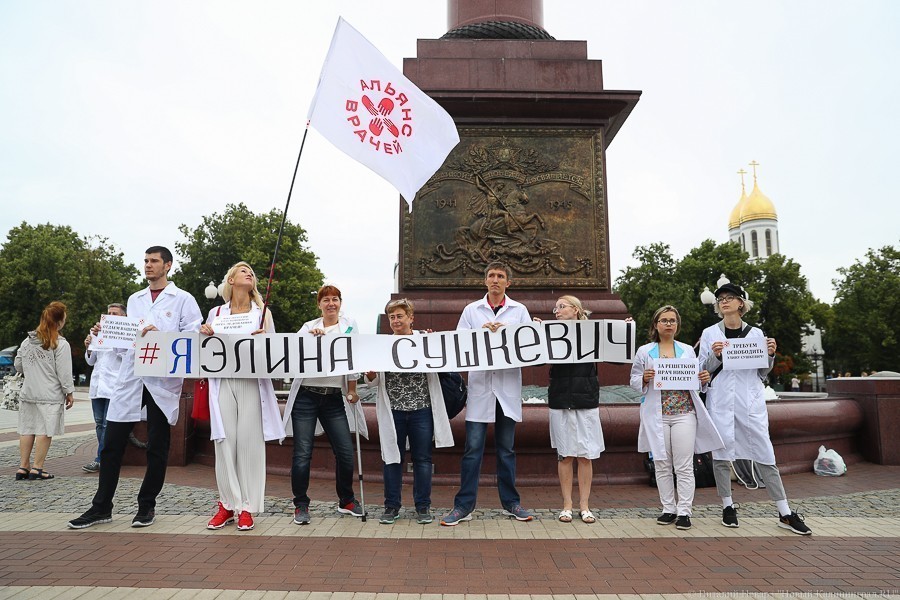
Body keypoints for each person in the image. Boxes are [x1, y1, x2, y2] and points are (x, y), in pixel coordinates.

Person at [68, 246, 202, 529]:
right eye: (145, 261)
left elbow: (194, 337)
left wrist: (161, 335)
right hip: (130, 377)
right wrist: (105, 333)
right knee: (111, 444)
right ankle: (101, 507)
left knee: (158, 445)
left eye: (154, 261)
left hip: (162, 380)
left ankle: (146, 507)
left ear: (168, 265)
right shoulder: (136, 299)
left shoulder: (183, 299)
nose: (148, 265)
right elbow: (122, 345)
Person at [698, 282, 812, 535]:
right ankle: (727, 506)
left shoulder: (756, 334)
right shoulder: (709, 334)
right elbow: (701, 371)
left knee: (764, 452)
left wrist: (770, 355)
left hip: (749, 400)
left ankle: (785, 511)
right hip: (721, 400)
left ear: (741, 303)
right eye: (720, 299)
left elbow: (762, 370)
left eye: (730, 298)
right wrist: (715, 357)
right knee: (721, 453)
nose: (724, 302)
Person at [441, 261, 534, 526]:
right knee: (473, 449)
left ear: (508, 282)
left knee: (506, 449)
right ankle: (464, 505)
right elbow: (459, 343)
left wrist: (508, 333)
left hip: (506, 388)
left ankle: (511, 503)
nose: (495, 280)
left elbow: (529, 345)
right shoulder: (472, 311)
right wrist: (480, 335)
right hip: (481, 389)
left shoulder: (519, 311)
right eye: (491, 276)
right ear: (485, 281)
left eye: (500, 276)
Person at [201, 262, 285, 532]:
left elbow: (274, 357)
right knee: (225, 441)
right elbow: (204, 351)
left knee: (249, 443)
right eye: (243, 271)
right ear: (231, 280)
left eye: (251, 272)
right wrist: (203, 334)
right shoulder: (215, 312)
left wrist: (264, 340)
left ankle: (246, 507)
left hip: (251, 382)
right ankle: (226, 504)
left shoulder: (262, 314)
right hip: (223, 381)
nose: (249, 273)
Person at [631, 305, 724, 531]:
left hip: (684, 413)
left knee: (683, 465)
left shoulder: (686, 351)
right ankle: (668, 508)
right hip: (657, 414)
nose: (669, 324)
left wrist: (703, 378)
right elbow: (634, 380)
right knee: (662, 463)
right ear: (656, 325)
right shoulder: (645, 351)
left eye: (672, 320)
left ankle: (684, 511)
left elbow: (695, 381)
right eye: (664, 320)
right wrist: (643, 377)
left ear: (677, 325)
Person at [364, 299, 454, 525]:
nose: (395, 321)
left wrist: (433, 344)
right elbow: (371, 382)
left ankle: (423, 506)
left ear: (411, 318)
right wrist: (371, 373)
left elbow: (441, 364)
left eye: (400, 316)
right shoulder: (382, 345)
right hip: (393, 410)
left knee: (422, 459)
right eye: (392, 317)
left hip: (421, 410)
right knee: (392, 459)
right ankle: (391, 506)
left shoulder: (425, 340)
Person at [282, 285, 365, 525]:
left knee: (345, 452)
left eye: (335, 299)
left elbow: (354, 358)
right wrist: (311, 338)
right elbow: (294, 349)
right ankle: (301, 504)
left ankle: (346, 500)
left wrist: (352, 390)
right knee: (302, 453)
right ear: (319, 304)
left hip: (332, 397)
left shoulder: (349, 326)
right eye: (326, 300)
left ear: (341, 302)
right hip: (306, 396)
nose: (331, 303)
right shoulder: (309, 327)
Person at [544, 295, 605, 524]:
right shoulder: (550, 335)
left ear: (576, 310)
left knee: (586, 456)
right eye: (555, 308)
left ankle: (585, 505)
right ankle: (567, 504)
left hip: (585, 400)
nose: (557, 311)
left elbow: (616, 352)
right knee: (565, 454)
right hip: (561, 400)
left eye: (562, 307)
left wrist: (625, 330)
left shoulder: (592, 334)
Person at [14, 301, 75, 481]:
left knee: (27, 428)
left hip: (29, 392)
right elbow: (64, 372)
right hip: (50, 393)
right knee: (44, 430)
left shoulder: (27, 341)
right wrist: (69, 392)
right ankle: (37, 468)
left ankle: (23, 466)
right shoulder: (60, 344)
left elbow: (18, 365)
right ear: (60, 321)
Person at [81, 303, 127, 473]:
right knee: (99, 424)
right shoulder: (96, 332)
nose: (110, 315)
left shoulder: (125, 335)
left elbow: (126, 357)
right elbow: (90, 361)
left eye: (114, 313)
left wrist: (114, 339)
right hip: (97, 385)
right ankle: (106, 457)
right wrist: (88, 346)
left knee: (108, 425)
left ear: (123, 317)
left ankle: (102, 459)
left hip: (114, 386)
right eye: (108, 312)